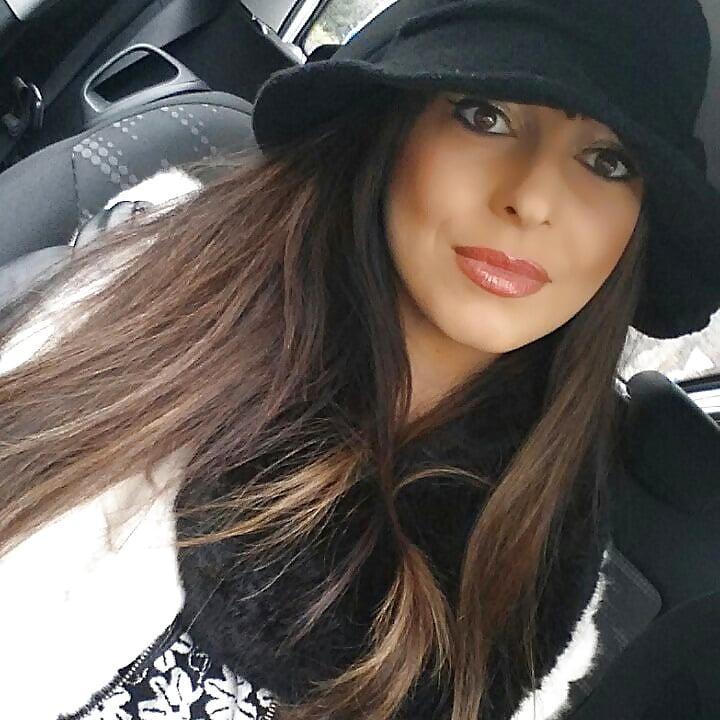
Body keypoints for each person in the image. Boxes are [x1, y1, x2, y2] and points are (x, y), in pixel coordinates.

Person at [0, 0, 718, 718]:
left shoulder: (546, 578)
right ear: (395, 122)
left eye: (606, 161)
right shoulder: (159, 290)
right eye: (485, 115)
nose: (532, 200)